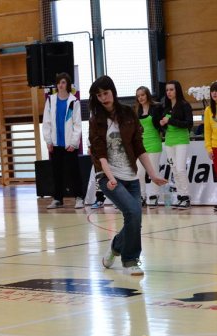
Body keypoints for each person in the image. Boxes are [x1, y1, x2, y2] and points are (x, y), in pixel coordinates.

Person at [88, 76, 168, 276]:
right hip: (108, 177)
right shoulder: (96, 120)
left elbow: (138, 146)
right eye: (99, 95)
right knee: (133, 211)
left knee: (135, 218)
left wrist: (153, 174)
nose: (103, 98)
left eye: (106, 93)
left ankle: (115, 246)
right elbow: (99, 153)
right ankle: (130, 260)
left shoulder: (127, 113)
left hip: (131, 176)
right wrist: (110, 177)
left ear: (113, 92)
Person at [42, 72, 85, 209]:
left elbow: (77, 124)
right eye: (59, 82)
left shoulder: (74, 102)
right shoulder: (50, 100)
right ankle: (58, 199)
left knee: (73, 172)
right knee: (56, 173)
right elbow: (46, 122)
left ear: (68, 84)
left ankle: (79, 197)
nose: (60, 85)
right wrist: (48, 141)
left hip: (69, 145)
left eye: (63, 82)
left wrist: (73, 143)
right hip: (55, 144)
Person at [160, 80, 193, 209]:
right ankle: (180, 196)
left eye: (171, 89)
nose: (169, 92)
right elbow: (165, 126)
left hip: (181, 141)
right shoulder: (166, 107)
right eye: (167, 90)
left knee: (180, 169)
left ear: (177, 90)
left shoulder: (184, 105)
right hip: (169, 142)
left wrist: (170, 120)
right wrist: (163, 124)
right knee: (174, 170)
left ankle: (186, 197)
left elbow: (188, 124)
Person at [134, 86, 164, 208]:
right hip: (141, 145)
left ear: (147, 95)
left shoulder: (157, 107)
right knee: (139, 173)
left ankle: (154, 195)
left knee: (153, 172)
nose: (140, 98)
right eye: (138, 96)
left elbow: (161, 124)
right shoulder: (137, 111)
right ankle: (142, 196)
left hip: (154, 142)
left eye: (142, 95)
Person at [204, 81, 217, 212]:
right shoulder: (208, 110)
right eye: (212, 91)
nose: (214, 93)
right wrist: (208, 148)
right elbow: (207, 131)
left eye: (216, 90)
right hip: (215, 147)